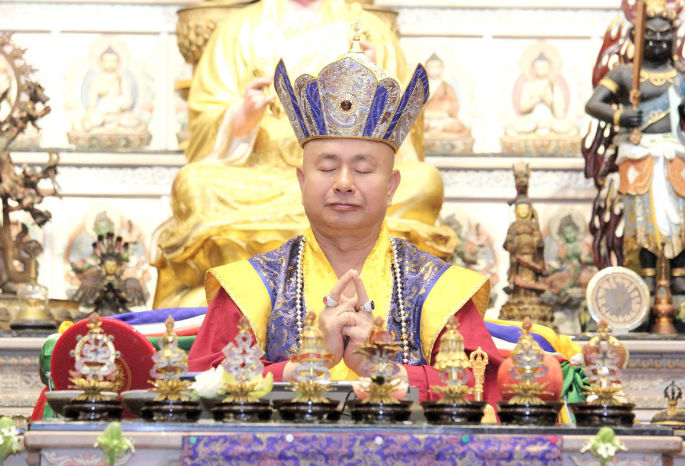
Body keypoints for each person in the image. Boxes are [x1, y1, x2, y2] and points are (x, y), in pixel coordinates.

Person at [188, 37, 502, 405]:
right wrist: (298, 370)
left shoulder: (437, 288)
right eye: (326, 167)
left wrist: (387, 372)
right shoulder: (251, 287)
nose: (343, 183)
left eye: (363, 169)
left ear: (392, 187)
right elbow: (199, 383)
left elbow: (486, 385)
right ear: (301, 182)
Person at [152, 0, 456, 309]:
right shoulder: (237, 31)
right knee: (195, 183)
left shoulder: (370, 30)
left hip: (351, 180)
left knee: (424, 182)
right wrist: (241, 117)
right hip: (262, 179)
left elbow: (405, 130)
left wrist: (378, 89)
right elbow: (202, 126)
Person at [584, 0, 685, 293]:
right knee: (643, 216)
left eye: (664, 37)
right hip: (639, 154)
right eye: (651, 36)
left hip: (673, 153)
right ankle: (646, 274)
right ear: (636, 37)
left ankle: (678, 275)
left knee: (677, 216)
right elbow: (594, 104)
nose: (658, 42)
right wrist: (620, 116)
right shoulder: (625, 74)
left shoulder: (680, 75)